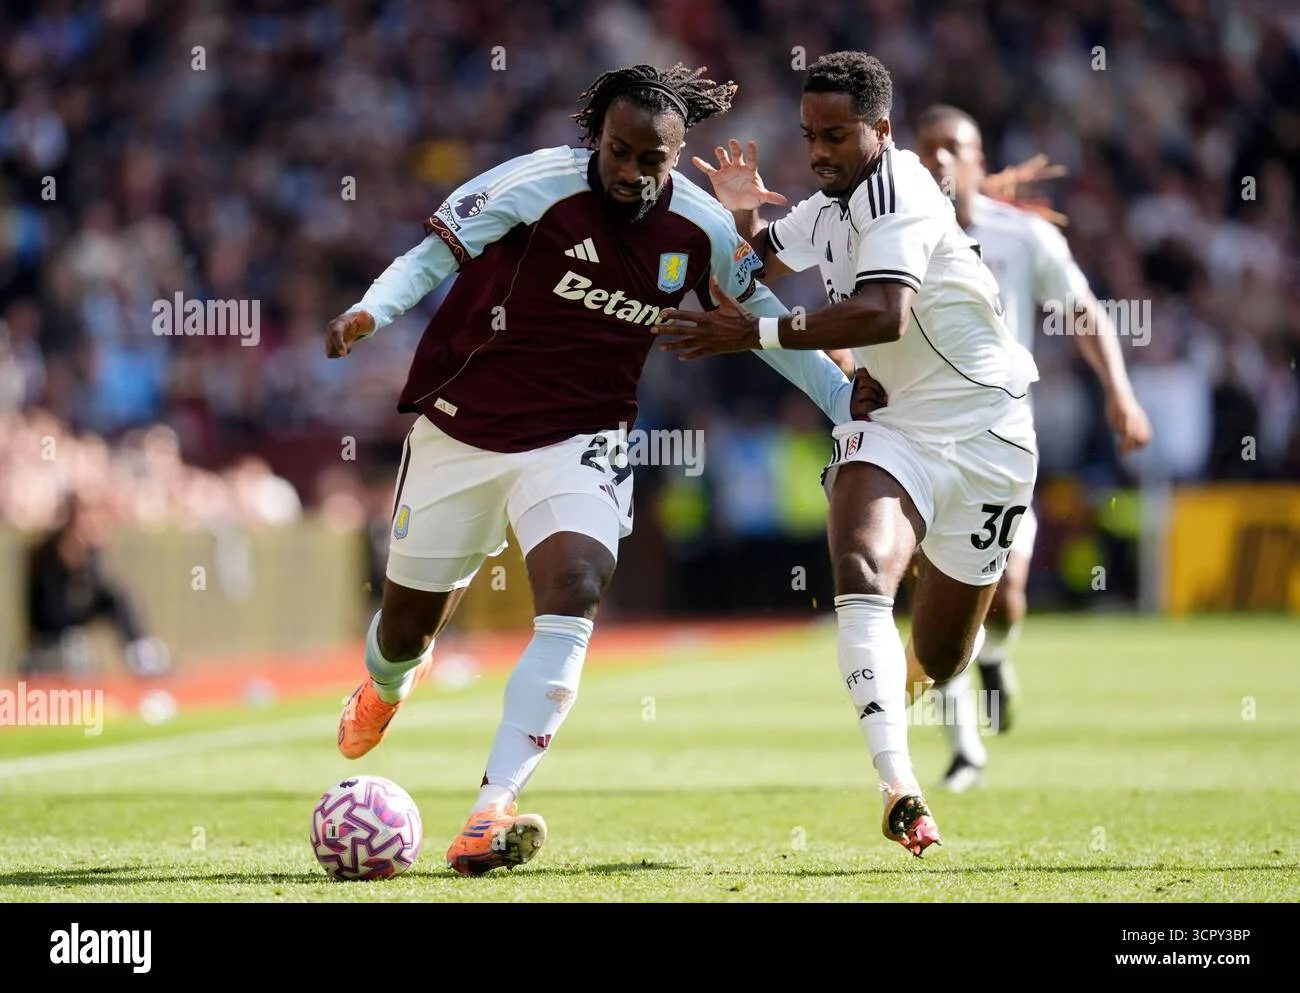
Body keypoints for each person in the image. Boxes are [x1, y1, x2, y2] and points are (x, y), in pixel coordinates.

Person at [324, 64, 861, 876]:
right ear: (595, 140)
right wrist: (372, 310)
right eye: (618, 151)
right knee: (402, 635)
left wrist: (851, 407)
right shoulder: (536, 184)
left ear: (677, 157)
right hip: (463, 427)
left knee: (575, 587)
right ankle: (386, 686)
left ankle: (490, 806)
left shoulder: (704, 229)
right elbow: (433, 256)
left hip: (585, 436)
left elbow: (770, 324)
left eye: (652, 160)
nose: (632, 172)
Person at [657, 51, 1039, 856]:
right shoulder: (830, 205)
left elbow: (884, 315)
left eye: (836, 136)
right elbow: (758, 261)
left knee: (940, 652)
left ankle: (918, 660)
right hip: (892, 423)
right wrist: (737, 218)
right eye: (809, 136)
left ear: (882, 130)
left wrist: (752, 333)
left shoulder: (900, 188)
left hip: (989, 435)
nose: (819, 152)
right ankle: (900, 785)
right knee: (862, 569)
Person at [907, 104, 1153, 791]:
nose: (938, 159)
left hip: (998, 445)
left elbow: (1084, 311)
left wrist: (1121, 393)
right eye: (925, 148)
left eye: (954, 147)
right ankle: (964, 750)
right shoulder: (889, 234)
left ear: (980, 162)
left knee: (1006, 595)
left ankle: (996, 655)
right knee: (934, 591)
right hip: (918, 440)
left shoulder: (1022, 238)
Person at [21, 494, 171, 679]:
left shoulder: (90, 554)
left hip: (72, 619)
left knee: (117, 598)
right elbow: (49, 612)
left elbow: (103, 593)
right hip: (50, 633)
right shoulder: (46, 555)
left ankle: (140, 652)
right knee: (74, 645)